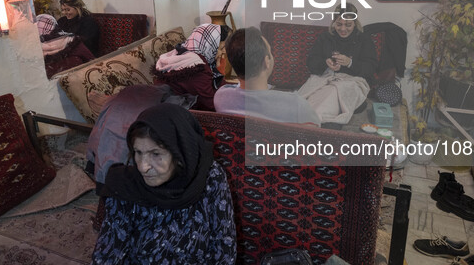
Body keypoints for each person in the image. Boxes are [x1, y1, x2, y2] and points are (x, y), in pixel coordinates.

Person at [91, 104, 237, 264]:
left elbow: (224, 247)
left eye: (156, 154)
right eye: (138, 153)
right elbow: (108, 252)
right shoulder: (125, 186)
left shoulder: (210, 178)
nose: (143, 167)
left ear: (180, 154)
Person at [214, 27, 320, 126]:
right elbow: (315, 133)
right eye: (270, 52)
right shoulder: (296, 105)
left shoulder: (221, 97)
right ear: (266, 62)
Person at [298, 4, 378, 125]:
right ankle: (304, 119)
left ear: (355, 23)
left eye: (348, 25)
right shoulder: (325, 38)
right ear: (334, 22)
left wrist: (350, 63)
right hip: (325, 78)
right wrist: (325, 63)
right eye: (339, 24)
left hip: (352, 82)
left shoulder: (364, 39)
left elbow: (370, 68)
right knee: (305, 100)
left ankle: (313, 121)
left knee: (333, 93)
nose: (343, 29)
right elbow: (311, 63)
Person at [154, 23, 230, 111]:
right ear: (210, 46)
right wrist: (220, 69)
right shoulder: (196, 68)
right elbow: (211, 106)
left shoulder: (184, 51)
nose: (224, 52)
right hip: (169, 112)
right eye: (221, 48)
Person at [36, 14, 95, 78]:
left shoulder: (32, 48)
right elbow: (91, 60)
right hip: (76, 79)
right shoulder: (70, 40)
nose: (65, 12)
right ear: (55, 26)